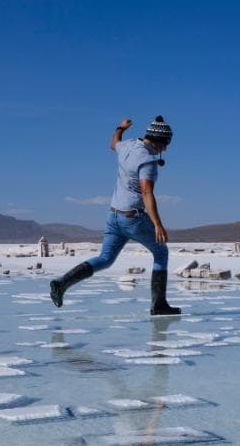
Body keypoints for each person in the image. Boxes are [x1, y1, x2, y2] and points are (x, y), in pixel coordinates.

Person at [50, 115, 180, 315]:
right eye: (165, 145)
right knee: (161, 252)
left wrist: (120, 128)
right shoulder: (147, 161)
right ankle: (159, 305)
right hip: (133, 217)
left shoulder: (127, 146)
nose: (165, 149)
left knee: (105, 258)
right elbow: (146, 192)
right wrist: (157, 224)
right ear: (158, 141)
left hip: (113, 216)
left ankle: (62, 283)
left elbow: (113, 143)